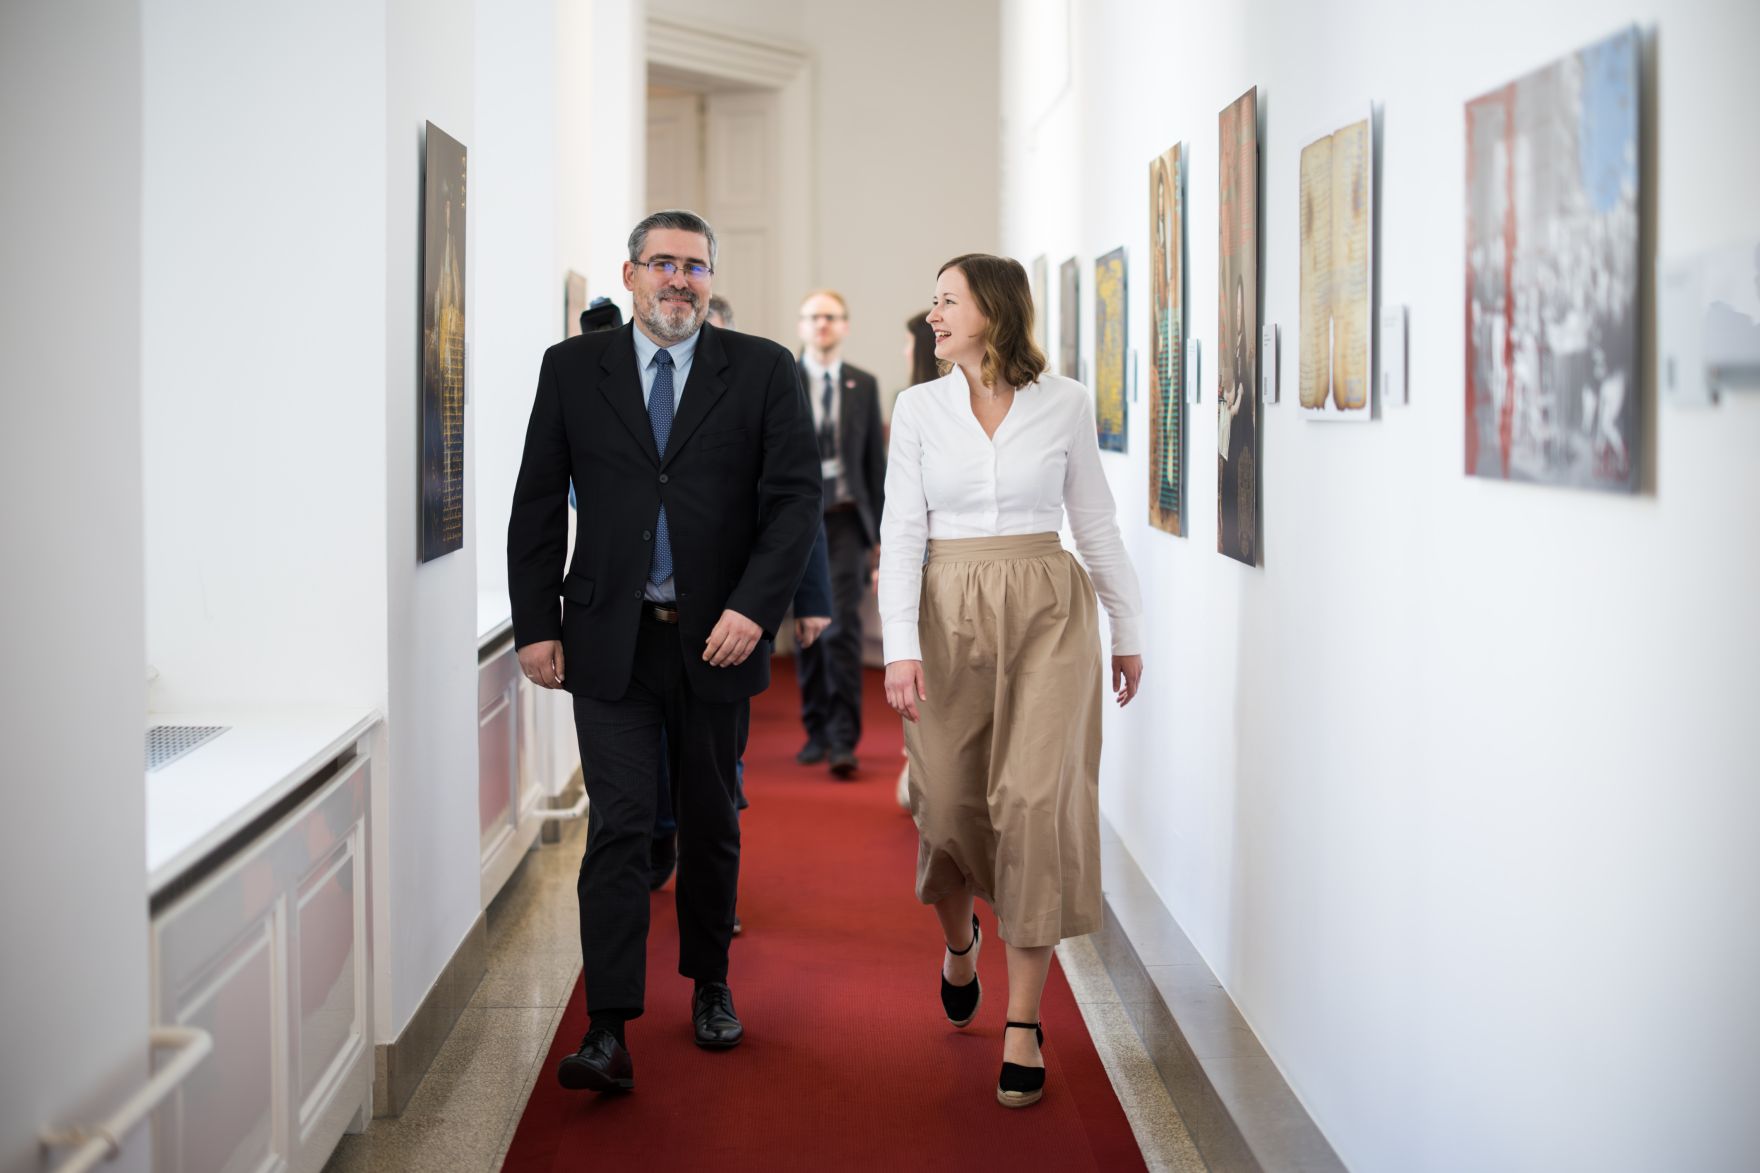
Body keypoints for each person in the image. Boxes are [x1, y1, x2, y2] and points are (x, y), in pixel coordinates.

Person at [507, 209, 821, 1094]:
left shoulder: (760, 370)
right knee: (618, 826)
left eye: (695, 266)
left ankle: (711, 983)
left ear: (710, 279)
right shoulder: (572, 370)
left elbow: (793, 504)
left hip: (717, 641)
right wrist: (536, 623)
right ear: (631, 273)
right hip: (609, 641)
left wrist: (755, 611)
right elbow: (536, 502)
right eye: (663, 264)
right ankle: (607, 1024)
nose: (679, 280)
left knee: (712, 816)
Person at [879, 253, 1144, 1109]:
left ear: (993, 310)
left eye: (947, 300)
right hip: (945, 609)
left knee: (1034, 802)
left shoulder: (1063, 402)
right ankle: (961, 943)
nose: (934, 315)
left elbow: (1094, 519)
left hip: (1046, 609)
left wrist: (1128, 626)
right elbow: (903, 530)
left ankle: (1024, 1022)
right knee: (949, 799)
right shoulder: (917, 407)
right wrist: (897, 646)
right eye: (934, 303)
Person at [795, 290, 886, 779]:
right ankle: (814, 731)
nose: (822, 326)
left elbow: (874, 460)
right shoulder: (781, 379)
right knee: (808, 626)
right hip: (797, 521)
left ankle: (843, 739)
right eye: (814, 318)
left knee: (841, 627)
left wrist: (883, 533)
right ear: (801, 326)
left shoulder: (862, 385)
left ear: (845, 326)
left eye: (831, 317)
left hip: (848, 519)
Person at [893, 311, 940, 811]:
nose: (906, 353)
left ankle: (926, 770)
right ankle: (920, 768)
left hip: (939, 563)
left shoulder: (923, 405)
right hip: (919, 555)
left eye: (911, 345)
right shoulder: (913, 404)